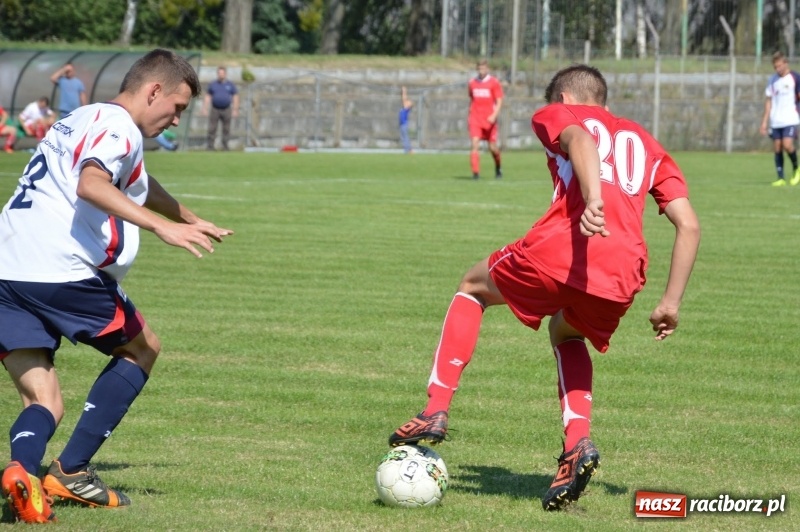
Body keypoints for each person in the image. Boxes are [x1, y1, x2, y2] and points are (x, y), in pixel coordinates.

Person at [388, 65, 700, 511]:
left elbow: (582, 141)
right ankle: (577, 443)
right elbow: (688, 224)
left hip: (564, 248)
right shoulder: (646, 142)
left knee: (473, 286)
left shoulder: (558, 114)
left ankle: (435, 406)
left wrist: (592, 200)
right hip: (624, 271)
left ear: (566, 100)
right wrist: (670, 302)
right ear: (606, 102)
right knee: (566, 332)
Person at [0, 48, 233, 524]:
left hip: (6, 269)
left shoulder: (83, 116)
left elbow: (137, 180)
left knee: (44, 398)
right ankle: (71, 472)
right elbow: (93, 183)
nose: (176, 119)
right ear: (153, 91)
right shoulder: (121, 128)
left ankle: (20, 473)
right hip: (59, 270)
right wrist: (160, 227)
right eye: (178, 107)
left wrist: (187, 216)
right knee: (143, 347)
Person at [759, 51, 800, 187]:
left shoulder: (795, 78)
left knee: (787, 145)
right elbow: (769, 101)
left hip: (790, 118)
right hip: (776, 119)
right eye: (775, 67)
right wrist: (764, 122)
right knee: (777, 147)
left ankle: (796, 169)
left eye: (779, 66)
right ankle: (780, 177)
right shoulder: (772, 80)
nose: (778, 69)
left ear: (785, 63)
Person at [468, 59, 504, 179]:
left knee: (492, 147)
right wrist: (470, 112)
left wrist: (494, 115)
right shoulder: (472, 83)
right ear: (476, 69)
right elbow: (471, 99)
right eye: (479, 68)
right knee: (474, 144)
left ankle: (498, 166)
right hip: (475, 119)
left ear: (487, 69)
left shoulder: (494, 82)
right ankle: (475, 173)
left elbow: (499, 101)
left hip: (489, 120)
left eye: (483, 68)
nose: (481, 70)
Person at [202, 66, 239, 151]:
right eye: (219, 73)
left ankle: (225, 146)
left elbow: (235, 97)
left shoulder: (230, 85)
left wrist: (235, 109)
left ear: (225, 74)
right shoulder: (213, 84)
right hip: (215, 109)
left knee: (226, 129)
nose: (221, 75)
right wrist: (205, 108)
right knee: (212, 128)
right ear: (217, 74)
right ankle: (210, 147)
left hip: (227, 109)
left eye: (222, 73)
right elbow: (208, 96)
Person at [399, 86, 414, 154]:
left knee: (405, 137)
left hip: (404, 124)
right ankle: (408, 149)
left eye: (408, 102)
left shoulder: (406, 108)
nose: (406, 102)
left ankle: (408, 149)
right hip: (401, 124)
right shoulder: (404, 108)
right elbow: (404, 99)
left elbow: (404, 98)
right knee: (403, 137)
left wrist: (404, 91)